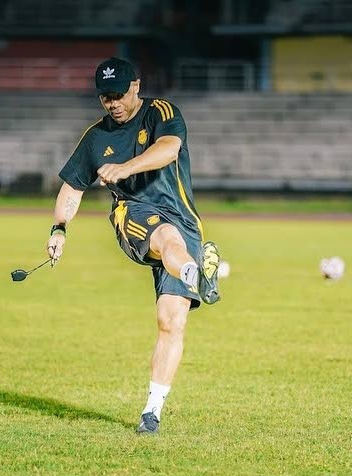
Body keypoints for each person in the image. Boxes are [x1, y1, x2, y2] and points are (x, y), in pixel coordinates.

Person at [45, 57, 221, 434]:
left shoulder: (162, 112)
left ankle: (151, 412)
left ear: (136, 86)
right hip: (134, 214)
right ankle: (197, 271)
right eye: (106, 97)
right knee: (166, 238)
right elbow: (72, 187)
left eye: (119, 94)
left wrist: (126, 167)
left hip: (184, 218)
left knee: (171, 321)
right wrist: (59, 228)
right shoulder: (96, 138)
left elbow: (169, 149)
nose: (113, 103)